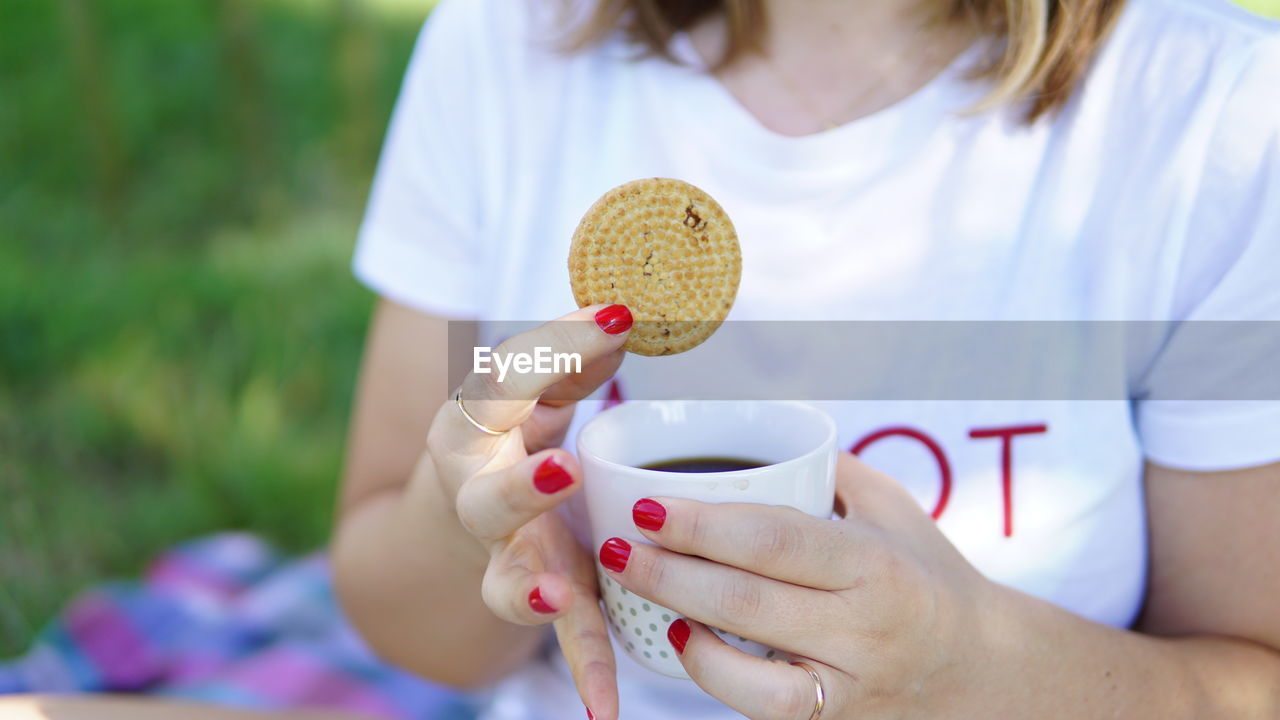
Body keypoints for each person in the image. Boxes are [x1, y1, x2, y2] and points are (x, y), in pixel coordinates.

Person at [332, 0, 1280, 718]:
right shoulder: (508, 46)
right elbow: (411, 630)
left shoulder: (1217, 118)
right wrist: (471, 526)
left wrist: (974, 663)